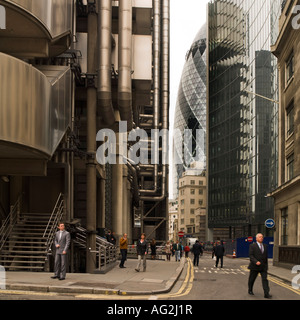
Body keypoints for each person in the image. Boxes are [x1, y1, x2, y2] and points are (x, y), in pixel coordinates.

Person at [248, 233, 272, 298]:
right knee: (252, 279)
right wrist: (256, 261)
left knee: (265, 280)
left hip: (263, 267)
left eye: (262, 237)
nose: (261, 238)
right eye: (260, 237)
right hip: (255, 266)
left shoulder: (265, 246)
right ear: (256, 238)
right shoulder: (252, 246)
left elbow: (265, 257)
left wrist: (266, 266)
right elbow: (251, 256)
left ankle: (266, 293)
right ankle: (250, 289)